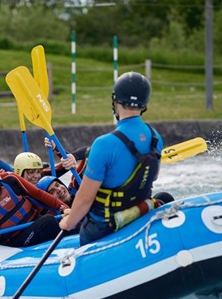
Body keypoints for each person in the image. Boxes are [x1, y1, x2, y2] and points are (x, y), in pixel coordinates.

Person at [59, 72, 164, 245]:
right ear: (144, 105)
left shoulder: (103, 144)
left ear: (115, 100)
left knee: (81, 228)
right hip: (140, 213)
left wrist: (68, 222)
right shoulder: (156, 137)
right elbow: (153, 177)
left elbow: (85, 199)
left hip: (105, 226)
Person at [0, 150, 69, 256]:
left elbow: (39, 194)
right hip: (17, 242)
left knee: (69, 222)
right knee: (47, 221)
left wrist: (64, 208)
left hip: (35, 224)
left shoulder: (10, 179)